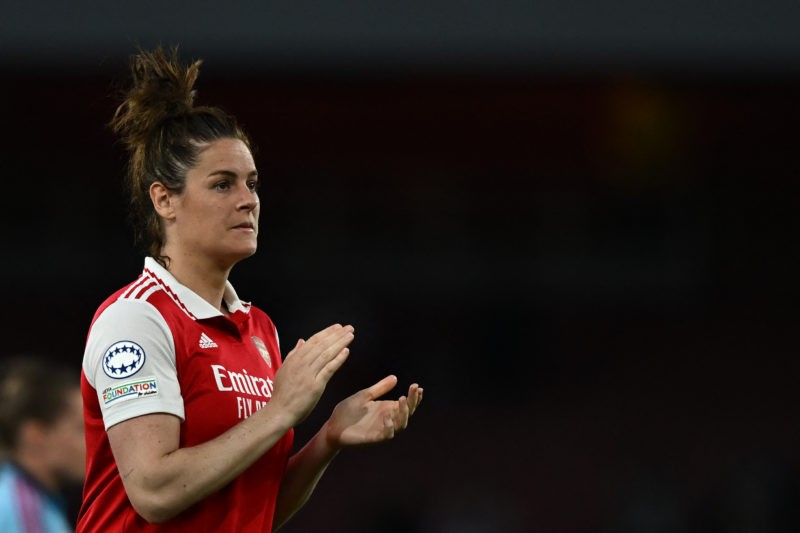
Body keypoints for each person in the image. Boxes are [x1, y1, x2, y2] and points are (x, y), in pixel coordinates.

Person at [77, 47, 423, 532]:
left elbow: (254, 510)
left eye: (252, 183)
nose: (248, 201)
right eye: (223, 184)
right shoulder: (137, 319)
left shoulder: (259, 329)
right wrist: (281, 411)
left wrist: (327, 438)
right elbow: (154, 492)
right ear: (164, 199)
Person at [0, 356, 86, 532]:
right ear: (36, 435)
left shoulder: (39, 502)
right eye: (80, 429)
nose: (92, 445)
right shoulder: (24, 511)